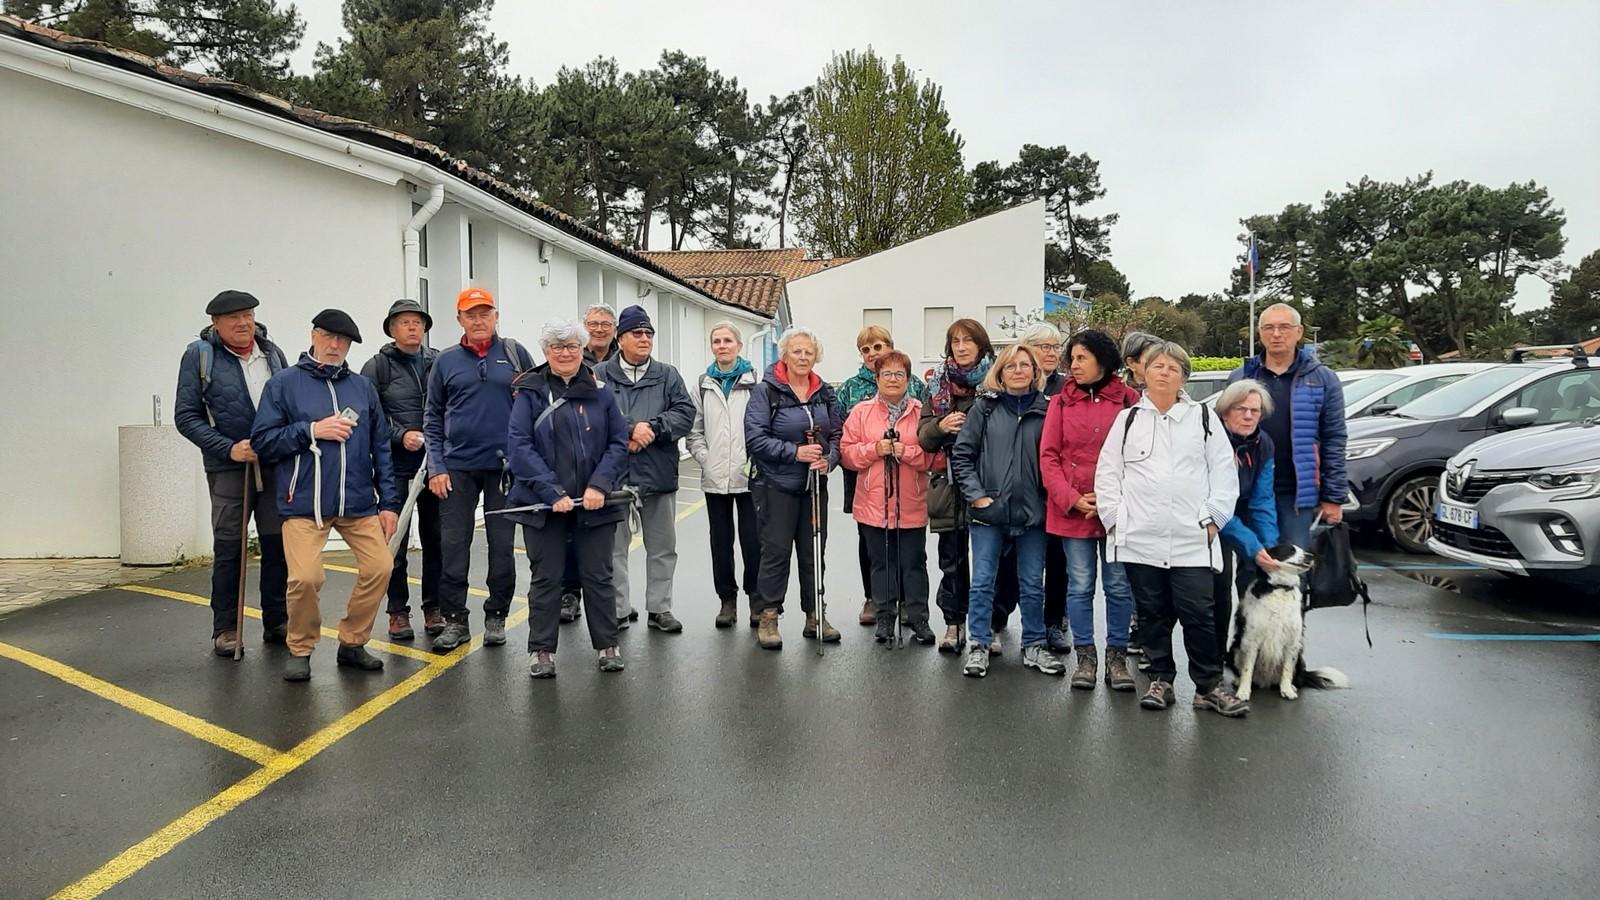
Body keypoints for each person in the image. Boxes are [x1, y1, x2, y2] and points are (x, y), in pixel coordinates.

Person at [1095, 340, 1246, 716]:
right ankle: (1161, 678)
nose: (1164, 372)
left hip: (1192, 540)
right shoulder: (1127, 420)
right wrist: (1115, 519)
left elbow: (1225, 475)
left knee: (1199, 613)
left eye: (1173, 367)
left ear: (1183, 377)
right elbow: (1108, 474)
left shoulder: (1204, 419)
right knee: (1152, 613)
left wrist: (1212, 518)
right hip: (1141, 540)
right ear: (1142, 372)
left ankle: (1209, 686)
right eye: (1157, 366)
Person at [250, 310, 400, 682]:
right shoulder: (284, 384)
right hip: (303, 502)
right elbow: (263, 442)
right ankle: (300, 647)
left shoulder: (362, 388)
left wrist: (390, 503)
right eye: (329, 337)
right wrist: (312, 430)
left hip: (358, 501)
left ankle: (353, 642)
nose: (335, 346)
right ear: (313, 335)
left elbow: (381, 444)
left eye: (343, 341)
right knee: (304, 578)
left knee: (380, 567)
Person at [506, 319, 630, 678]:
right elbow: (519, 446)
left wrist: (599, 486)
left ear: (582, 349)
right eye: (557, 347)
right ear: (545, 352)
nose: (565, 353)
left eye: (572, 346)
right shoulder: (528, 392)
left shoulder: (601, 390)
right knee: (546, 579)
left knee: (599, 576)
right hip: (545, 505)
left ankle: (608, 644)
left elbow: (617, 443)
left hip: (594, 504)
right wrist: (552, 492)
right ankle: (541, 651)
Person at [174, 290, 290, 657]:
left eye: (249, 315)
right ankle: (225, 628)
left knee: (278, 546)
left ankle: (277, 620)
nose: (243, 323)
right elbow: (186, 417)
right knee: (230, 548)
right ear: (216, 323)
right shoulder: (199, 355)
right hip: (228, 468)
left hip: (273, 465)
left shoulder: (272, 353)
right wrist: (228, 448)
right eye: (234, 318)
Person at [422, 287, 535, 652]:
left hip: (505, 468)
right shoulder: (446, 361)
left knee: (502, 547)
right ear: (459, 319)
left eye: (485, 313)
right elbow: (432, 417)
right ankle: (455, 620)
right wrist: (436, 466)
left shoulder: (516, 355)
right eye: (470, 314)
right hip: (456, 468)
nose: (479, 320)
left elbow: (536, 408)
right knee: (453, 546)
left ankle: (496, 615)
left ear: (496, 316)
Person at [950, 344, 1062, 678]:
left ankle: (1034, 645)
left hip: (1033, 513)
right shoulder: (984, 408)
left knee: (1031, 583)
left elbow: (1056, 458)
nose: (1017, 370)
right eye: (1010, 365)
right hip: (989, 512)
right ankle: (979, 646)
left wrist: (1047, 500)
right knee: (983, 581)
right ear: (1000, 372)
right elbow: (962, 455)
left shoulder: (1048, 410)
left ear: (1034, 371)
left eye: (1024, 365)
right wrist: (977, 497)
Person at [1040, 328, 1142, 691]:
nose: (1073, 364)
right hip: (1072, 510)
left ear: (1102, 359)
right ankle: (1086, 658)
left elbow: (1140, 457)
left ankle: (1117, 657)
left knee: (1118, 585)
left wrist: (1113, 499)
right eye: (1073, 357)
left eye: (1081, 357)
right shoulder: (1060, 402)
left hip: (1117, 512)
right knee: (1079, 585)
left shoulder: (1130, 400)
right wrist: (1071, 497)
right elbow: (1048, 458)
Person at [597, 305, 696, 633]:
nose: (644, 339)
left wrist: (651, 428)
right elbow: (590, 416)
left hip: (657, 473)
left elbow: (685, 412)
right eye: (636, 333)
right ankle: (619, 609)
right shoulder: (598, 375)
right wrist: (628, 430)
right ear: (620, 338)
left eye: (648, 334)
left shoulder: (668, 375)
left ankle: (660, 609)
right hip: (613, 475)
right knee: (613, 549)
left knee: (662, 547)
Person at [744, 327, 844, 650]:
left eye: (808, 352)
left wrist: (829, 458)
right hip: (777, 485)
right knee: (775, 552)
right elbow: (755, 439)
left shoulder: (824, 391)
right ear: (785, 354)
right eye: (797, 351)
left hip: (815, 485)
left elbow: (837, 433)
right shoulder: (766, 391)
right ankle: (769, 615)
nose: (803, 357)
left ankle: (815, 613)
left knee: (814, 551)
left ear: (816, 357)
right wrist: (795, 453)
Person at [1227, 303, 1347, 551]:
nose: (1276, 334)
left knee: (1293, 570)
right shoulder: (1241, 378)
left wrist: (1333, 497)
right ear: (1260, 333)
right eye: (1269, 327)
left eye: (1284, 327)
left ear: (1299, 332)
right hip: (1249, 493)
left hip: (1296, 496)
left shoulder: (1322, 379)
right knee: (1250, 574)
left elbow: (1334, 439)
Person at [360, 299, 442, 642]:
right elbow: (369, 414)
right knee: (395, 539)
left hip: (435, 465)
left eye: (418, 322)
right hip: (394, 467)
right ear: (392, 329)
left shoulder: (439, 362)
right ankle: (397, 612)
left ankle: (434, 608)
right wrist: (400, 435)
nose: (412, 327)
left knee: (437, 540)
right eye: (405, 322)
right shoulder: (376, 367)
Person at [840, 350, 934, 645]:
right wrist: (874, 450)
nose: (893, 380)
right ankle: (884, 618)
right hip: (872, 502)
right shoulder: (861, 412)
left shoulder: (922, 411)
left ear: (908, 379)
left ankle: (919, 619)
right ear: (876, 378)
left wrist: (906, 453)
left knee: (914, 563)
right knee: (881, 564)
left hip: (911, 500)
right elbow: (847, 454)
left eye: (899, 375)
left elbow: (933, 457)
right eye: (887, 374)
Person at [917, 320, 996, 654]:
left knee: (990, 560)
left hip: (987, 482)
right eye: (955, 341)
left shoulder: (997, 382)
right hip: (948, 486)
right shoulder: (936, 384)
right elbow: (923, 437)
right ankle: (954, 622)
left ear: (981, 345)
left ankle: (990, 625)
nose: (961, 347)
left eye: (968, 341)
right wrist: (940, 424)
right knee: (951, 559)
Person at [687, 322, 762, 628]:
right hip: (715, 479)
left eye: (727, 340)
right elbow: (694, 432)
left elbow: (763, 427)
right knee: (721, 542)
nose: (722, 346)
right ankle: (727, 601)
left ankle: (757, 599)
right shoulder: (703, 384)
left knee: (753, 541)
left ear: (739, 346)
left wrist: (756, 460)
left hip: (750, 478)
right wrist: (706, 459)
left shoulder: (756, 383)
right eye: (716, 341)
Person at [1213, 379, 1281, 662]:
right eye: (1241, 409)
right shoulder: (1212, 438)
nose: (1249, 416)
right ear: (1226, 411)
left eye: (1255, 410)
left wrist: (1267, 547)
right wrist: (1251, 545)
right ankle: (1213, 660)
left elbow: (1263, 499)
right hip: (1212, 514)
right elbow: (1217, 505)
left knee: (1255, 575)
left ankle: (1244, 652)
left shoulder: (1264, 443)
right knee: (1218, 585)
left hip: (1243, 509)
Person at [1019, 322, 1069, 651]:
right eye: (1043, 347)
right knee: (1017, 565)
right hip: (1023, 488)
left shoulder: (1068, 387)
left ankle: (1054, 623)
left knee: (1058, 562)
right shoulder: (1018, 384)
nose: (1051, 353)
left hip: (1059, 488)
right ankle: (1008, 622)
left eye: (1055, 347)